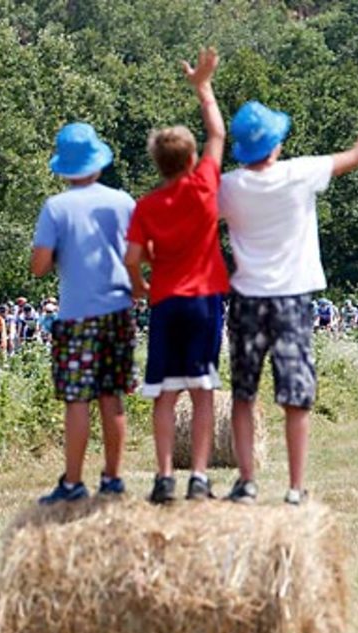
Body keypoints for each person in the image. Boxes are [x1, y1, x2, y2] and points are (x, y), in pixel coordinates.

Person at [219, 88, 358, 504]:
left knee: (244, 393)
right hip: (292, 299)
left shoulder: (228, 186)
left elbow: (196, 211)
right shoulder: (299, 173)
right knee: (297, 396)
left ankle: (247, 481)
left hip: (247, 299)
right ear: (276, 144)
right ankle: (295, 486)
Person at [124, 47, 228, 503]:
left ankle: (164, 477)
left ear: (157, 164)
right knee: (202, 391)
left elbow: (133, 257)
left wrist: (141, 285)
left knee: (163, 393)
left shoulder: (146, 206)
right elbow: (218, 133)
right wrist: (203, 87)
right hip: (205, 299)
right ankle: (199, 477)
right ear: (189, 161)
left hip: (165, 301)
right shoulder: (205, 186)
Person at [31, 121, 137, 504]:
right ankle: (112, 478)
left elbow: (39, 265)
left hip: (75, 314)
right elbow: (137, 253)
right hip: (118, 310)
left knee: (77, 399)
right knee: (112, 396)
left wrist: (61, 252)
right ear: (98, 163)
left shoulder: (55, 207)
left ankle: (73, 483)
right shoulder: (123, 202)